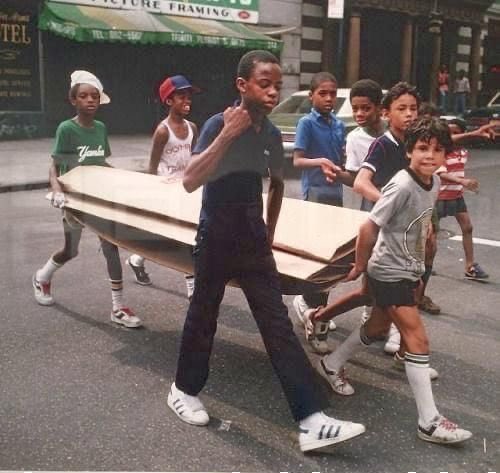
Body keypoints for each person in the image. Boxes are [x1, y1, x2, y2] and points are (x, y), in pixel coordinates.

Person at [166, 50, 365, 453]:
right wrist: (228, 133)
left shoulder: (273, 135)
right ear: (242, 85)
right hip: (216, 237)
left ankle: (310, 419)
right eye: (264, 83)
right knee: (203, 316)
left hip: (254, 242)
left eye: (277, 84)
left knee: (277, 325)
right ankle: (183, 390)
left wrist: (268, 233)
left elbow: (276, 183)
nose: (273, 91)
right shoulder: (217, 124)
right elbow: (189, 180)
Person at [315, 117, 472, 445]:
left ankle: (331, 363)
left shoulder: (434, 183)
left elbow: (423, 220)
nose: (430, 155)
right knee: (417, 338)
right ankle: (428, 421)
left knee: (374, 329)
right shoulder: (401, 184)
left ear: (446, 156)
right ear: (409, 152)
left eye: (438, 150)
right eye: (422, 148)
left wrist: (427, 243)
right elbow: (368, 227)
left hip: (407, 270)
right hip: (388, 271)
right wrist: (360, 265)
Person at [32, 70, 141, 328]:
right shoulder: (66, 129)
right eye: (84, 96)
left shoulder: (100, 128)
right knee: (71, 250)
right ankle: (41, 276)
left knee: (111, 246)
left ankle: (118, 307)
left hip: (98, 199)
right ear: (74, 100)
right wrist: (57, 191)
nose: (90, 100)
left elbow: (100, 163)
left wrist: (127, 179)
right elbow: (55, 165)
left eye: (94, 96)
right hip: (73, 200)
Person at [291, 72, 353, 348]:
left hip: (335, 194)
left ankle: (315, 307)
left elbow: (342, 158)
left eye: (333, 94)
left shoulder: (339, 125)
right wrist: (322, 162)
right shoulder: (306, 123)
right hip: (314, 195)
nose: (329, 98)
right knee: (317, 258)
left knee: (334, 257)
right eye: (323, 94)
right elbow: (297, 160)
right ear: (311, 96)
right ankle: (314, 315)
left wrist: (341, 167)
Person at [126, 75, 199, 299]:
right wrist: (153, 193)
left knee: (186, 235)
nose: (187, 100)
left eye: (189, 96)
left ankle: (137, 259)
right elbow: (153, 165)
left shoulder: (193, 127)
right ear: (169, 101)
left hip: (186, 189)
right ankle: (191, 286)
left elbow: (194, 158)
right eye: (181, 96)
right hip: (166, 189)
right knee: (180, 237)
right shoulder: (163, 131)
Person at [436, 119, 489, 280]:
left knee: (468, 228)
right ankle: (423, 263)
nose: (453, 136)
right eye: (449, 133)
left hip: (456, 197)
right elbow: (440, 173)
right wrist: (463, 182)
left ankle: (470, 265)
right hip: (439, 198)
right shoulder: (441, 151)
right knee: (428, 234)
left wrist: (467, 185)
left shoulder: (463, 152)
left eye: (456, 132)